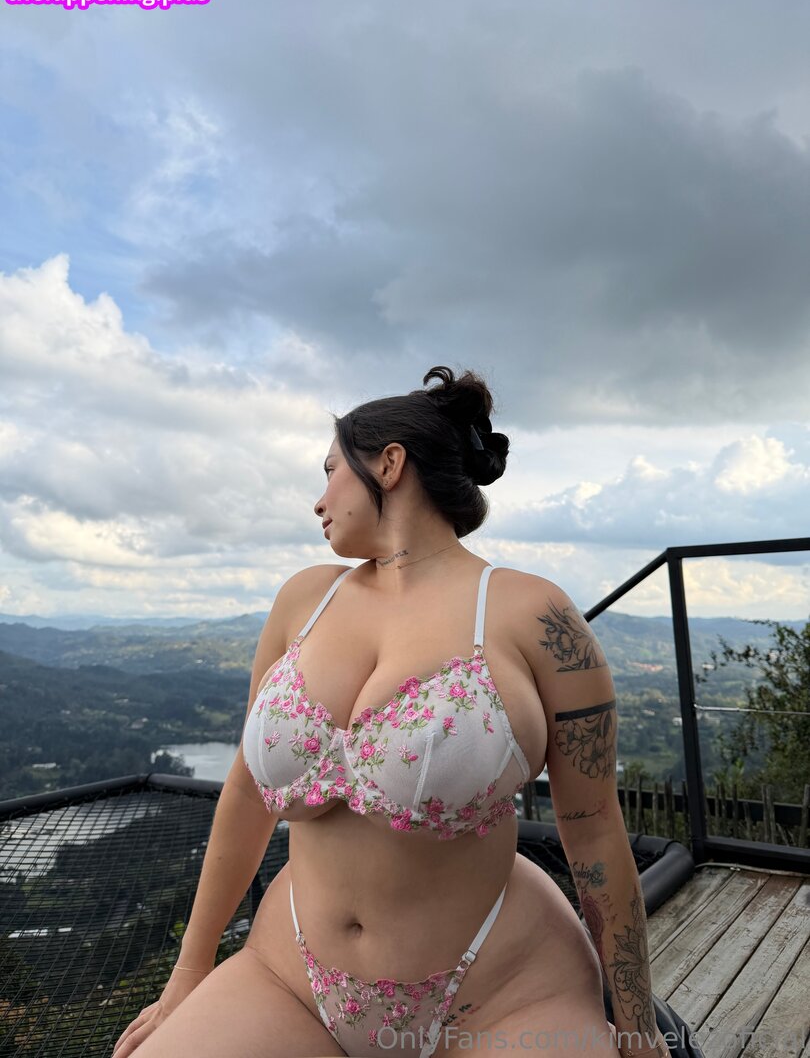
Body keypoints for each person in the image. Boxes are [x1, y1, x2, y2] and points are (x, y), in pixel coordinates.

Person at [112, 366, 670, 1058]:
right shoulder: (303, 601)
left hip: (503, 990)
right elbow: (248, 793)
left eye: (330, 473)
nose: (319, 501)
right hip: (291, 978)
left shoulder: (535, 615)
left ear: (389, 464)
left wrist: (637, 1023)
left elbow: (592, 831)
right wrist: (189, 973)